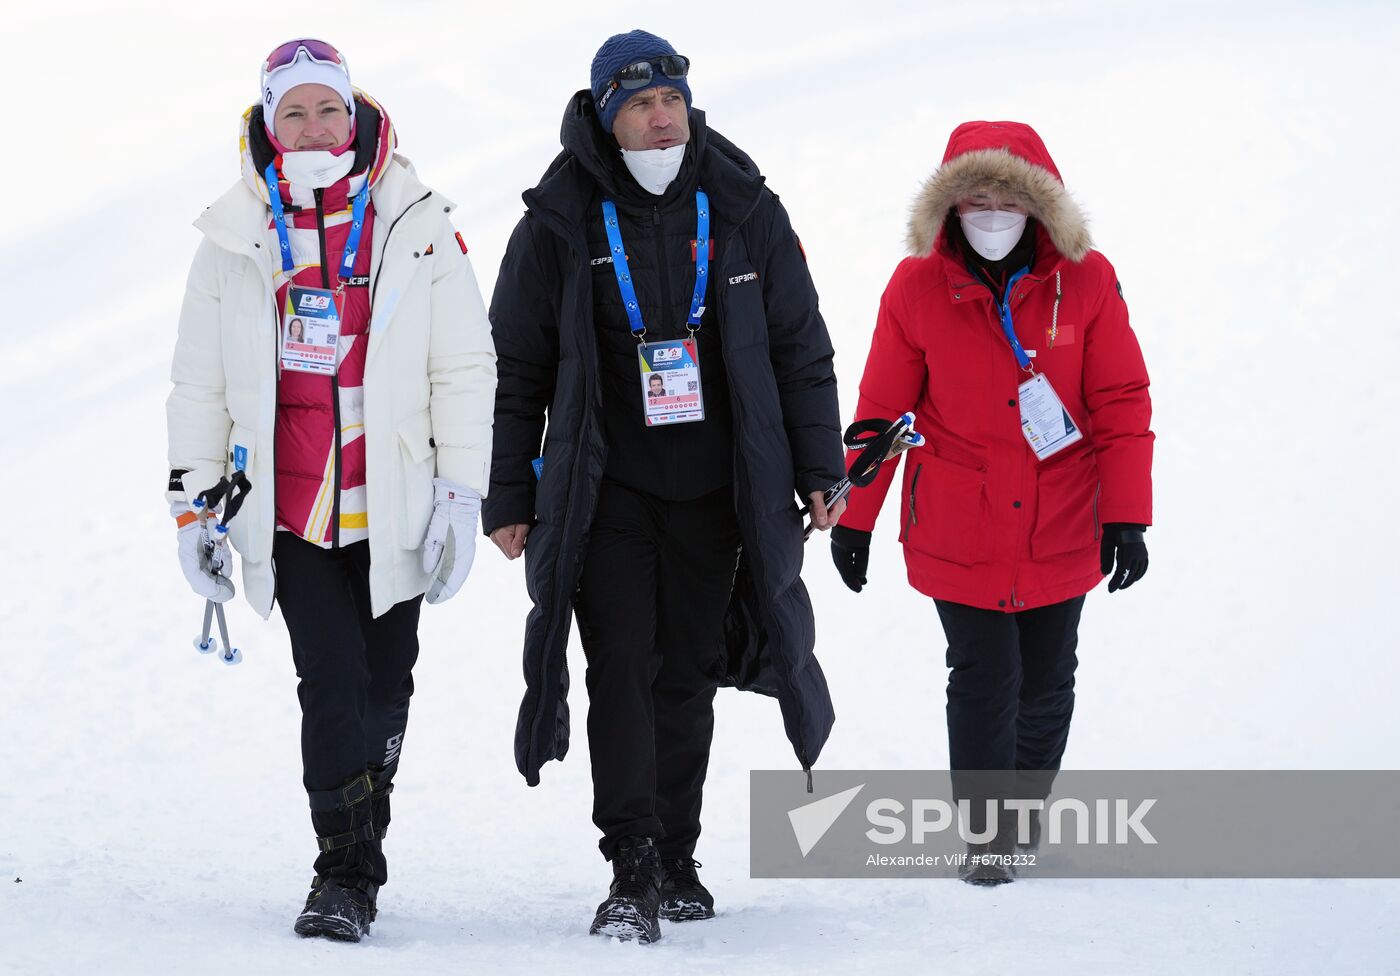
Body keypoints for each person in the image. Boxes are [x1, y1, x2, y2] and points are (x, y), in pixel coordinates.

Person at [484, 29, 845, 943]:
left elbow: (801, 348)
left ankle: (679, 855)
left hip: (717, 489)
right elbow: (517, 369)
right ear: (607, 116)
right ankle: (632, 859)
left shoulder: (743, 204)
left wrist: (820, 467)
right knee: (620, 670)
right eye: (640, 103)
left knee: (686, 673)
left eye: (672, 100)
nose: (660, 117)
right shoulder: (559, 219)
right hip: (609, 492)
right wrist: (508, 494)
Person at [165, 38, 496, 940]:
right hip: (292, 510)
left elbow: (463, 366)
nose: (315, 126)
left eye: (329, 109)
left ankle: (362, 838)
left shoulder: (416, 219)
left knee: (389, 683)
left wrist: (463, 496)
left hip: (395, 505)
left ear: (356, 117)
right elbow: (199, 386)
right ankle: (342, 871)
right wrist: (193, 506)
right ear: (269, 126)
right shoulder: (235, 233)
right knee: (335, 684)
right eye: (295, 112)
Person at [831, 121, 1154, 885]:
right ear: (949, 207)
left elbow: (1119, 400)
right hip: (956, 520)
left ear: (1040, 206)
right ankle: (988, 841)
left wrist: (1127, 515)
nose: (992, 214)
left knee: (1047, 676)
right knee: (983, 673)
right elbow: (881, 411)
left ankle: (1022, 818)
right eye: (975, 199)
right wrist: (856, 519)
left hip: (1063, 517)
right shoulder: (915, 288)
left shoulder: (1089, 280)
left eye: (1009, 199)